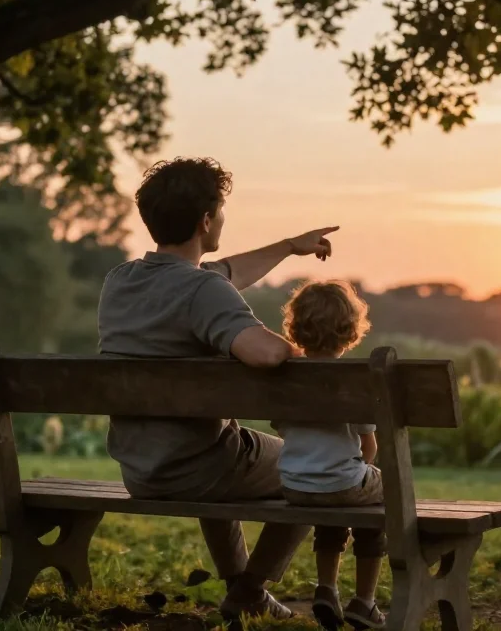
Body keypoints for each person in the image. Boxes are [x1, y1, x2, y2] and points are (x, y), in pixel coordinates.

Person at [96, 156, 338, 621]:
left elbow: (223, 274)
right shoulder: (203, 291)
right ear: (206, 221)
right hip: (198, 465)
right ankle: (249, 588)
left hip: (140, 468)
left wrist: (290, 246)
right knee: (317, 467)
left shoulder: (119, 281)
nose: (223, 218)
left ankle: (243, 589)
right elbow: (265, 354)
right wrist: (297, 346)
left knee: (221, 442)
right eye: (221, 210)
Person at [273, 281, 386, 630]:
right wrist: (361, 468)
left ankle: (326, 589)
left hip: (294, 485)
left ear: (296, 326)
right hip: (341, 483)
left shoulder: (285, 377)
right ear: (350, 329)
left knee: (334, 498)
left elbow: (283, 428)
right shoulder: (354, 380)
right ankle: (365, 602)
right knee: (378, 500)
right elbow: (369, 447)